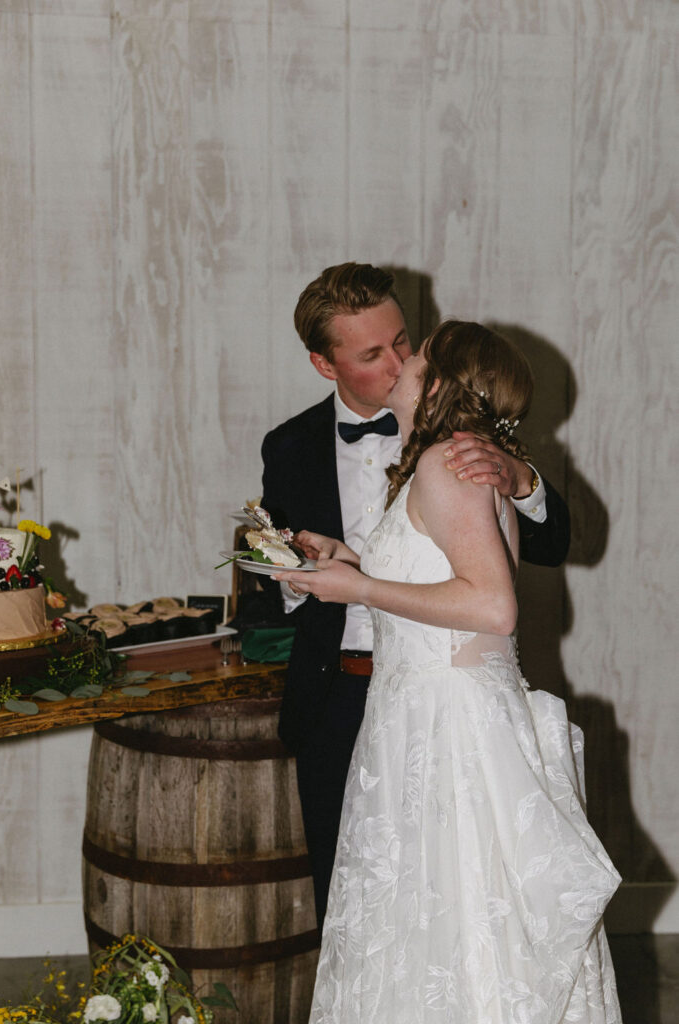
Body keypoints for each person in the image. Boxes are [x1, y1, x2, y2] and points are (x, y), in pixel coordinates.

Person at [276, 320, 621, 1024]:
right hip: (415, 719)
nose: (401, 361)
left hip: (448, 730)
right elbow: (440, 579)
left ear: (437, 383)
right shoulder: (436, 462)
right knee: (426, 927)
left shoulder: (445, 465)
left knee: (461, 923)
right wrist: (350, 565)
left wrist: (363, 591)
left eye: (415, 353)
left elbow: (492, 606)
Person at [261, 262, 571, 930]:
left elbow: (521, 571)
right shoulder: (287, 448)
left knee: (455, 904)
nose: (400, 359)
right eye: (373, 354)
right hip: (342, 701)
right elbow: (412, 556)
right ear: (326, 365)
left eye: (404, 341)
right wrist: (324, 569)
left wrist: (520, 479)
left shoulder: (459, 454)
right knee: (358, 911)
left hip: (447, 708)